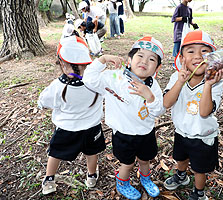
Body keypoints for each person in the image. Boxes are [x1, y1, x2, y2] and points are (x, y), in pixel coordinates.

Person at [82, 36, 165, 199]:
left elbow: (158, 111)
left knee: (145, 160)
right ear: (129, 59)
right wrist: (102, 59)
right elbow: (89, 79)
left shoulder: (153, 86)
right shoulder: (114, 78)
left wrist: (150, 98)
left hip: (145, 132)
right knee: (127, 163)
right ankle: (123, 183)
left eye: (152, 59)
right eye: (140, 56)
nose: (144, 61)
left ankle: (145, 179)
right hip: (123, 133)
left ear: (157, 67)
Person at [38, 36, 106, 195]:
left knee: (55, 153)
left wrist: (42, 105)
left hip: (66, 129)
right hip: (92, 128)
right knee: (91, 152)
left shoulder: (57, 86)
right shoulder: (97, 82)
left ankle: (49, 180)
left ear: (62, 64)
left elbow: (43, 101)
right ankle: (91, 176)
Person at [163, 30, 223, 200]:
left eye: (204, 51)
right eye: (190, 51)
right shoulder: (177, 76)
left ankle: (199, 192)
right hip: (181, 131)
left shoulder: (216, 82)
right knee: (180, 158)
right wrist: (180, 81)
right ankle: (181, 176)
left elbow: (205, 112)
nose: (198, 56)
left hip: (203, 135)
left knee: (199, 169)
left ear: (212, 58)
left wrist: (208, 84)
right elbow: (167, 103)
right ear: (182, 59)